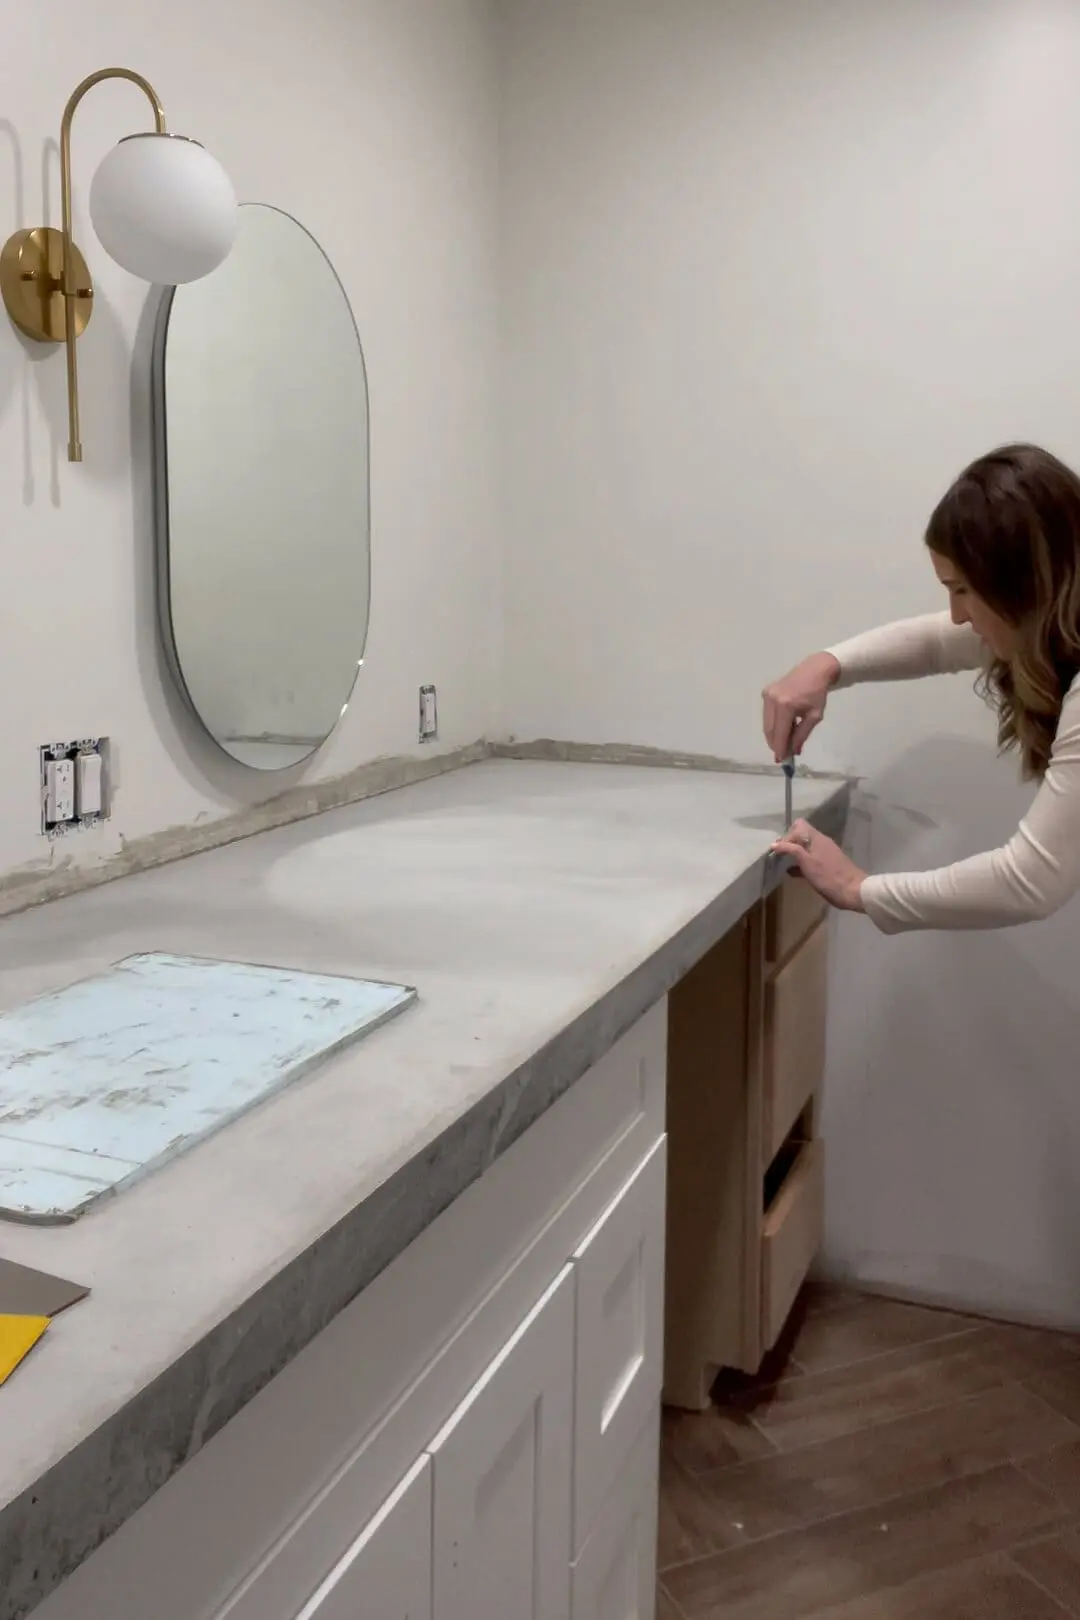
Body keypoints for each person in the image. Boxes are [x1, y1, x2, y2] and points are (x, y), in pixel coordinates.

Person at [764, 443, 1080, 932]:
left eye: (962, 590)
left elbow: (1031, 880)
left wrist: (856, 888)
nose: (956, 615)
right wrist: (826, 666)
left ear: (1022, 585)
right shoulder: (1057, 619)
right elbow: (935, 643)